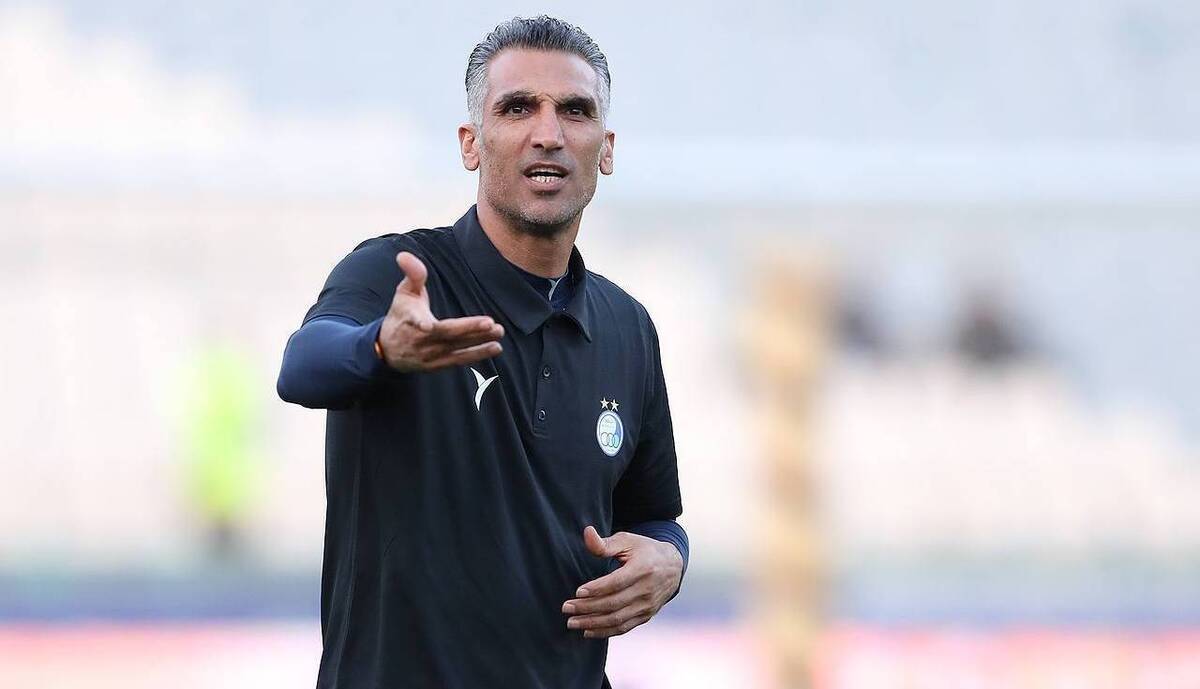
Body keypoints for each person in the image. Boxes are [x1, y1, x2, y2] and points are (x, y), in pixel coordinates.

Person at [276, 16, 688, 689]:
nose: (548, 133)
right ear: (471, 143)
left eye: (575, 111)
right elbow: (302, 367)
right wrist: (382, 346)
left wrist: (671, 560)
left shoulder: (628, 327)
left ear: (606, 149)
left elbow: (653, 516)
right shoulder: (399, 275)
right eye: (518, 108)